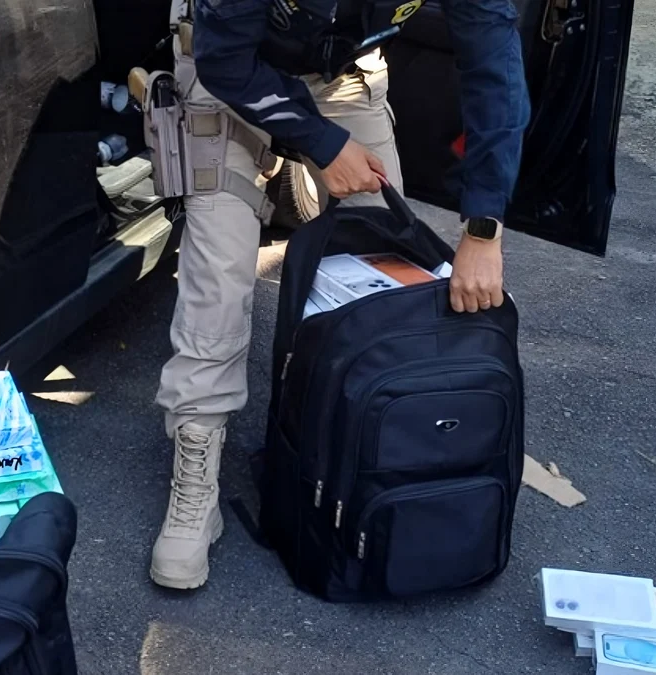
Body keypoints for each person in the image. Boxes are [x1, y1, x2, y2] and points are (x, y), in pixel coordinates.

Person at [150, 0, 531, 589]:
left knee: (388, 279)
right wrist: (323, 145)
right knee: (218, 276)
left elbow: (494, 63)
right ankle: (196, 478)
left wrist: (485, 229)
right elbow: (224, 60)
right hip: (227, 68)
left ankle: (356, 456)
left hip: (344, 76)